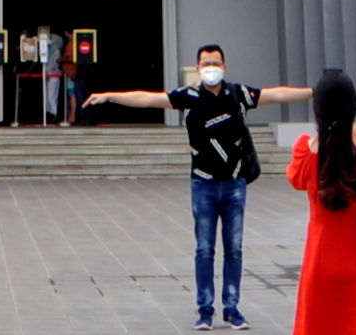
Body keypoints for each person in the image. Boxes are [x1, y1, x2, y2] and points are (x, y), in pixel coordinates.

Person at [89, 43, 312, 331]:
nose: (211, 68)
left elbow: (276, 94)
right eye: (206, 63)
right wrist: (110, 96)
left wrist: (314, 92)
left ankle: (232, 309)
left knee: (234, 250)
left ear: (225, 66)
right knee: (204, 250)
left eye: (215, 63)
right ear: (197, 68)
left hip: (234, 184)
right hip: (203, 184)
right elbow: (148, 99)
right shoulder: (189, 96)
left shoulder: (238, 94)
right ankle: (205, 310)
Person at [285, 67, 356, 335]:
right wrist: (351, 129)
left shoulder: (305, 152)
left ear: (317, 110)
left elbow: (295, 178)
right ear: (353, 108)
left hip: (320, 263)